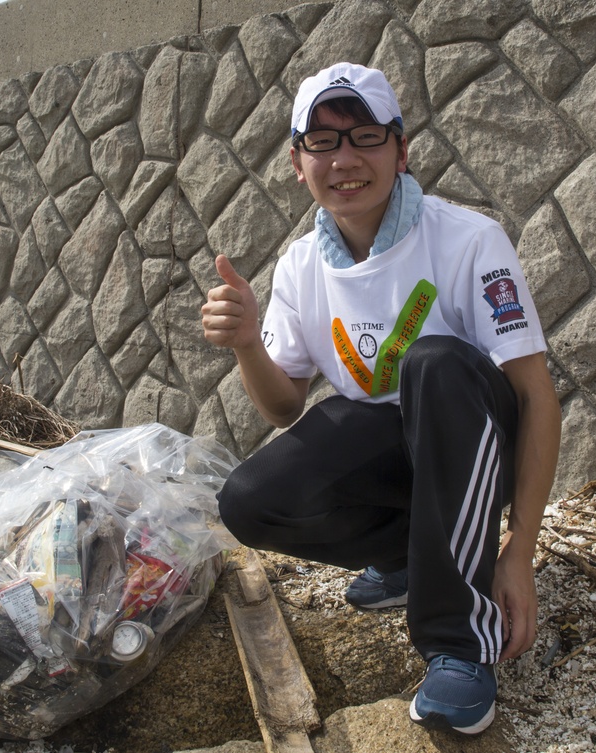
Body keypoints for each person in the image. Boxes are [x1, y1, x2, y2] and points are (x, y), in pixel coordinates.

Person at [201, 62, 561, 735]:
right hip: (401, 455)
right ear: (295, 161)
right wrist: (249, 342)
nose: (344, 160)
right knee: (248, 500)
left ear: (402, 150)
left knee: (434, 362)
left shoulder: (469, 240)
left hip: (480, 448)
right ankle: (408, 558)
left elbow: (536, 395)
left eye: (365, 137)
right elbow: (284, 409)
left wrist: (519, 550)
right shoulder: (303, 263)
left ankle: (460, 644)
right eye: (323, 142)